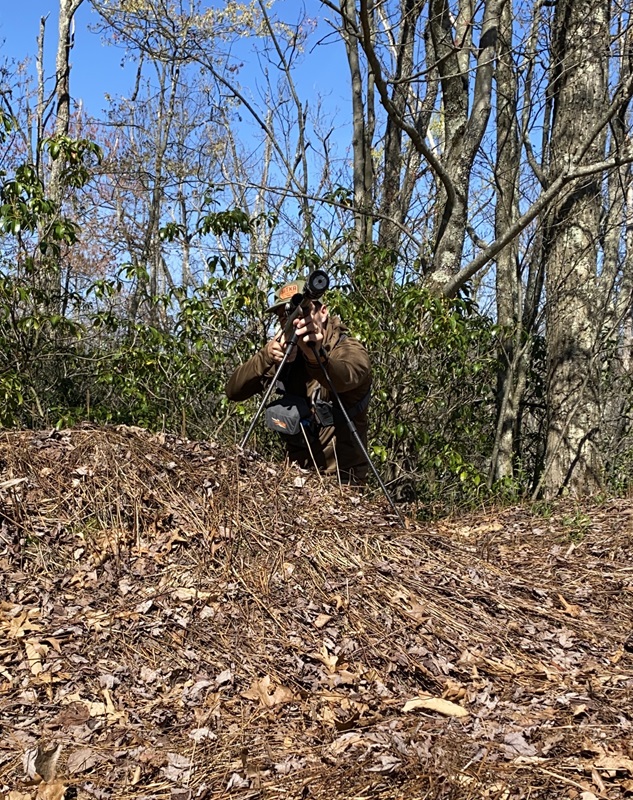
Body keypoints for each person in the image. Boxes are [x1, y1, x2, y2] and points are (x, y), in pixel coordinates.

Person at [226, 278, 372, 484]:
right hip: (296, 477)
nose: (294, 321)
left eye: (304, 312)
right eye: (284, 315)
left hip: (343, 479)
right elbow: (233, 391)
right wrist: (266, 357)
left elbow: (345, 377)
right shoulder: (282, 355)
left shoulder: (348, 350)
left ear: (323, 312)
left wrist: (316, 357)